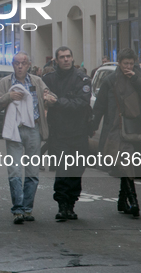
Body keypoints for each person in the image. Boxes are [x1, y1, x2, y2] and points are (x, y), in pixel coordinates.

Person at [0, 51, 55, 224]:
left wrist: (49, 98)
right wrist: (9, 97)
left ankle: (27, 208)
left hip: (33, 129)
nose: (20, 66)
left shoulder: (36, 81)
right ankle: (18, 209)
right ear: (13, 65)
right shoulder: (5, 82)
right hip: (14, 129)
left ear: (28, 65)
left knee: (32, 171)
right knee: (14, 170)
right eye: (16, 63)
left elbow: (51, 97)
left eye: (23, 63)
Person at [91, 48, 141, 218]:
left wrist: (135, 79)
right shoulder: (111, 80)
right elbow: (100, 105)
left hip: (136, 128)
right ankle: (133, 201)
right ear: (119, 63)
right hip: (116, 128)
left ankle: (121, 199)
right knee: (126, 163)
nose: (128, 66)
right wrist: (93, 125)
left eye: (131, 63)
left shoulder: (140, 76)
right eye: (125, 63)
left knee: (131, 165)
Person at [43, 47, 92, 221]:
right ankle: (62, 204)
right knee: (63, 169)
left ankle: (71, 203)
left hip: (78, 132)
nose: (65, 60)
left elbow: (81, 104)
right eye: (62, 57)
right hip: (59, 133)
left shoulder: (82, 78)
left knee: (77, 170)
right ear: (56, 60)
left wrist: (57, 102)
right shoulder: (48, 79)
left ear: (72, 58)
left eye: (68, 56)